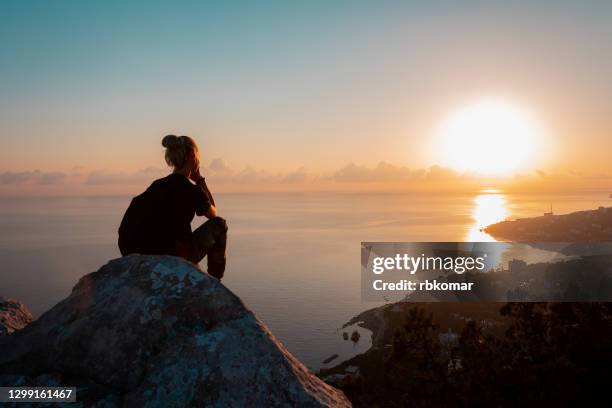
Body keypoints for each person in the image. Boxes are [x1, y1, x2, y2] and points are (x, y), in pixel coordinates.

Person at [118, 135, 228, 280]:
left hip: (141, 254)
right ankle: (215, 280)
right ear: (192, 156)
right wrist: (200, 181)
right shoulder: (192, 190)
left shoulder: (157, 185)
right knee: (220, 224)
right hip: (174, 256)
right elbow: (213, 213)